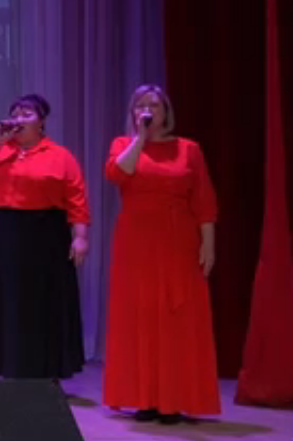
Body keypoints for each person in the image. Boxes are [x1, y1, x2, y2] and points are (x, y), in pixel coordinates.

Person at [102, 84, 220, 424]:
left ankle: (174, 400)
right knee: (140, 316)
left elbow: (204, 200)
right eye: (140, 105)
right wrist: (140, 139)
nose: (148, 110)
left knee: (175, 315)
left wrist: (208, 244)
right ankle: (146, 399)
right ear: (133, 113)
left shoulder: (189, 149)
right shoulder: (124, 145)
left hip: (178, 240)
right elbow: (116, 174)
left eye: (154, 105)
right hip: (137, 241)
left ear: (166, 112)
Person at [0, 93, 89, 380]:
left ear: (41, 121)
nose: (18, 119)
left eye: (26, 114)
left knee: (43, 301)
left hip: (45, 233)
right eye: (15, 114)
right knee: (8, 299)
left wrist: (80, 237)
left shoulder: (60, 156)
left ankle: (46, 368)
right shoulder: (0, 150)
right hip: (4, 231)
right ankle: (9, 366)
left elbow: (77, 199)